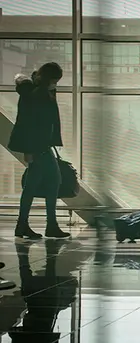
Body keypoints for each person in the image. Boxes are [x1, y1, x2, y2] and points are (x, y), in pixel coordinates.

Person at [9, 62, 70, 239]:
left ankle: (23, 225)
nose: (56, 84)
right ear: (48, 79)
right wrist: (30, 150)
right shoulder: (37, 93)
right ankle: (49, 225)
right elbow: (32, 123)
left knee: (34, 185)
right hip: (38, 146)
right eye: (54, 80)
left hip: (40, 145)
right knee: (53, 181)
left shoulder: (36, 90)